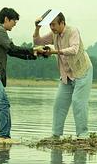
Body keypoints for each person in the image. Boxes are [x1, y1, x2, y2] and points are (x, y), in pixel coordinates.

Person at [0, 7, 38, 144]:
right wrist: (32, 50)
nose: (15, 24)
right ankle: (4, 137)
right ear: (6, 19)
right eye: (14, 21)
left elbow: (11, 52)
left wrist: (33, 55)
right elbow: (12, 48)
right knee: (3, 105)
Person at [33, 11, 93, 140]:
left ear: (62, 23)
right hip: (66, 74)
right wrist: (37, 27)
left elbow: (74, 50)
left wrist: (53, 51)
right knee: (59, 104)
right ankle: (56, 134)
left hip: (82, 71)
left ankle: (82, 135)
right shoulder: (54, 34)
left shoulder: (73, 31)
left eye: (54, 24)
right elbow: (37, 41)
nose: (52, 27)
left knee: (78, 102)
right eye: (50, 25)